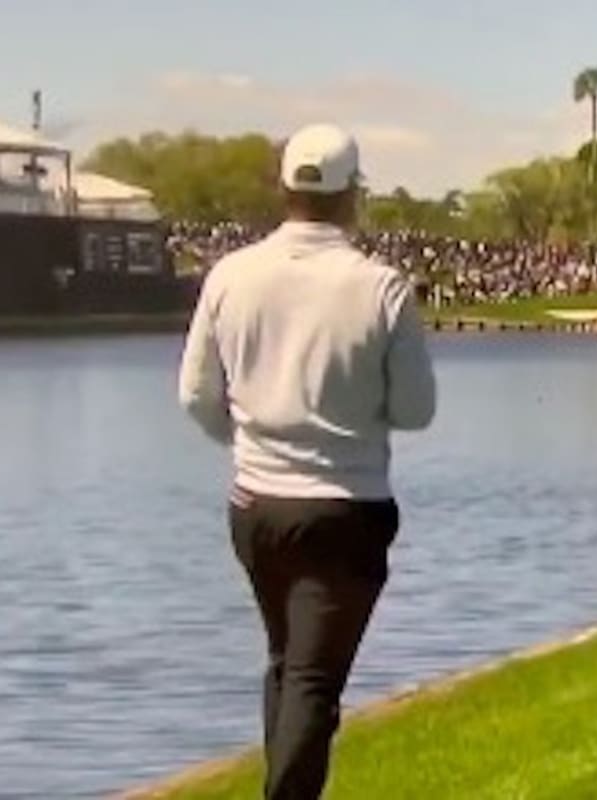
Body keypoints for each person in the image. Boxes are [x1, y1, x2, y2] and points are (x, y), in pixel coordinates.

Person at [178, 123, 436, 799]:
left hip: (256, 507)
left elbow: (196, 396)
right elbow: (416, 410)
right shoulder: (381, 287)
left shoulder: (230, 276)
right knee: (313, 682)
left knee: (289, 664)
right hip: (346, 508)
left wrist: (250, 445)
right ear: (354, 195)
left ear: (285, 189)